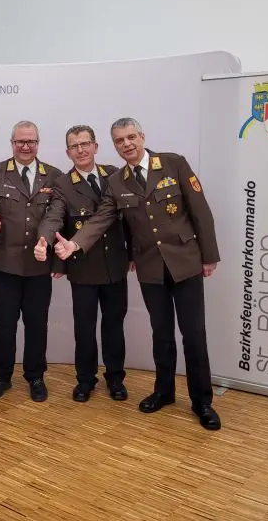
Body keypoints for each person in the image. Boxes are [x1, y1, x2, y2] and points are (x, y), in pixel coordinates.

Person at [54, 117, 222, 430]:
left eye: (131, 137)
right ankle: (164, 392)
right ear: (114, 146)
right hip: (150, 268)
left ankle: (202, 401)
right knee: (161, 333)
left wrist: (209, 256)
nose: (127, 144)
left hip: (185, 263)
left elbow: (200, 210)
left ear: (142, 137)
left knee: (194, 334)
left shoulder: (173, 163)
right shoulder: (117, 181)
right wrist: (74, 245)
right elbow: (101, 219)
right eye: (120, 140)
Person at [35, 125, 131, 403]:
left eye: (85, 144)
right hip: (83, 267)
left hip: (115, 265)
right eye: (74, 146)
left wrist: (134, 254)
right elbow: (54, 217)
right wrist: (44, 240)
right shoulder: (63, 184)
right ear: (68, 152)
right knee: (84, 329)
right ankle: (85, 380)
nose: (81, 150)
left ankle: (115, 378)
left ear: (95, 146)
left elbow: (130, 218)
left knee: (114, 326)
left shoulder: (115, 175)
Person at [0, 120, 62, 402]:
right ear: (12, 143)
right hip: (3, 264)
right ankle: (1, 377)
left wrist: (45, 239)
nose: (25, 146)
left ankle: (35, 376)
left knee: (37, 324)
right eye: (20, 141)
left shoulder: (54, 175)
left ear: (38, 143)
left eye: (31, 141)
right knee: (4, 323)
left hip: (38, 263)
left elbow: (55, 214)